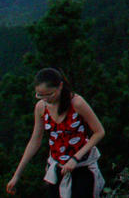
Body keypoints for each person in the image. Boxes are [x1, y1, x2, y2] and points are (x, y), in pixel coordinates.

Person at [6, 68, 105, 198]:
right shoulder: (41, 107)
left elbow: (99, 132)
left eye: (49, 94)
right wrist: (17, 175)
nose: (45, 99)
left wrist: (75, 158)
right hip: (57, 167)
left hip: (82, 167)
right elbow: (35, 141)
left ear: (60, 86)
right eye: (40, 95)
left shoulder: (76, 103)